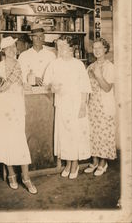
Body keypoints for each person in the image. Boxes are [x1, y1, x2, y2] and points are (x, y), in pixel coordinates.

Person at [0, 36, 37, 194]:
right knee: (5, 141)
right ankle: (11, 175)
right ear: (3, 51)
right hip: (2, 109)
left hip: (16, 109)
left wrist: (27, 85)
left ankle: (26, 178)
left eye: (14, 47)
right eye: (8, 48)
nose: (12, 50)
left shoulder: (20, 65)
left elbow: (23, 85)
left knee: (19, 141)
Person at [43, 36, 92, 179]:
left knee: (74, 134)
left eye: (63, 45)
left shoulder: (78, 64)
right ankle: (68, 164)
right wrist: (53, 87)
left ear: (70, 47)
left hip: (76, 104)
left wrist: (83, 105)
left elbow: (85, 87)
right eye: (59, 46)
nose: (61, 49)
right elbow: (47, 84)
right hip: (62, 104)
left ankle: (74, 164)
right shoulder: (54, 64)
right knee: (64, 135)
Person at [84, 38, 117, 176]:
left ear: (105, 49)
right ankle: (95, 161)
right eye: (95, 48)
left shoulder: (110, 66)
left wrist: (98, 76)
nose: (96, 50)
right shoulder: (90, 67)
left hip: (104, 105)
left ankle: (103, 163)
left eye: (100, 48)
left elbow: (107, 88)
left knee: (104, 134)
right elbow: (86, 88)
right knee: (93, 134)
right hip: (92, 105)